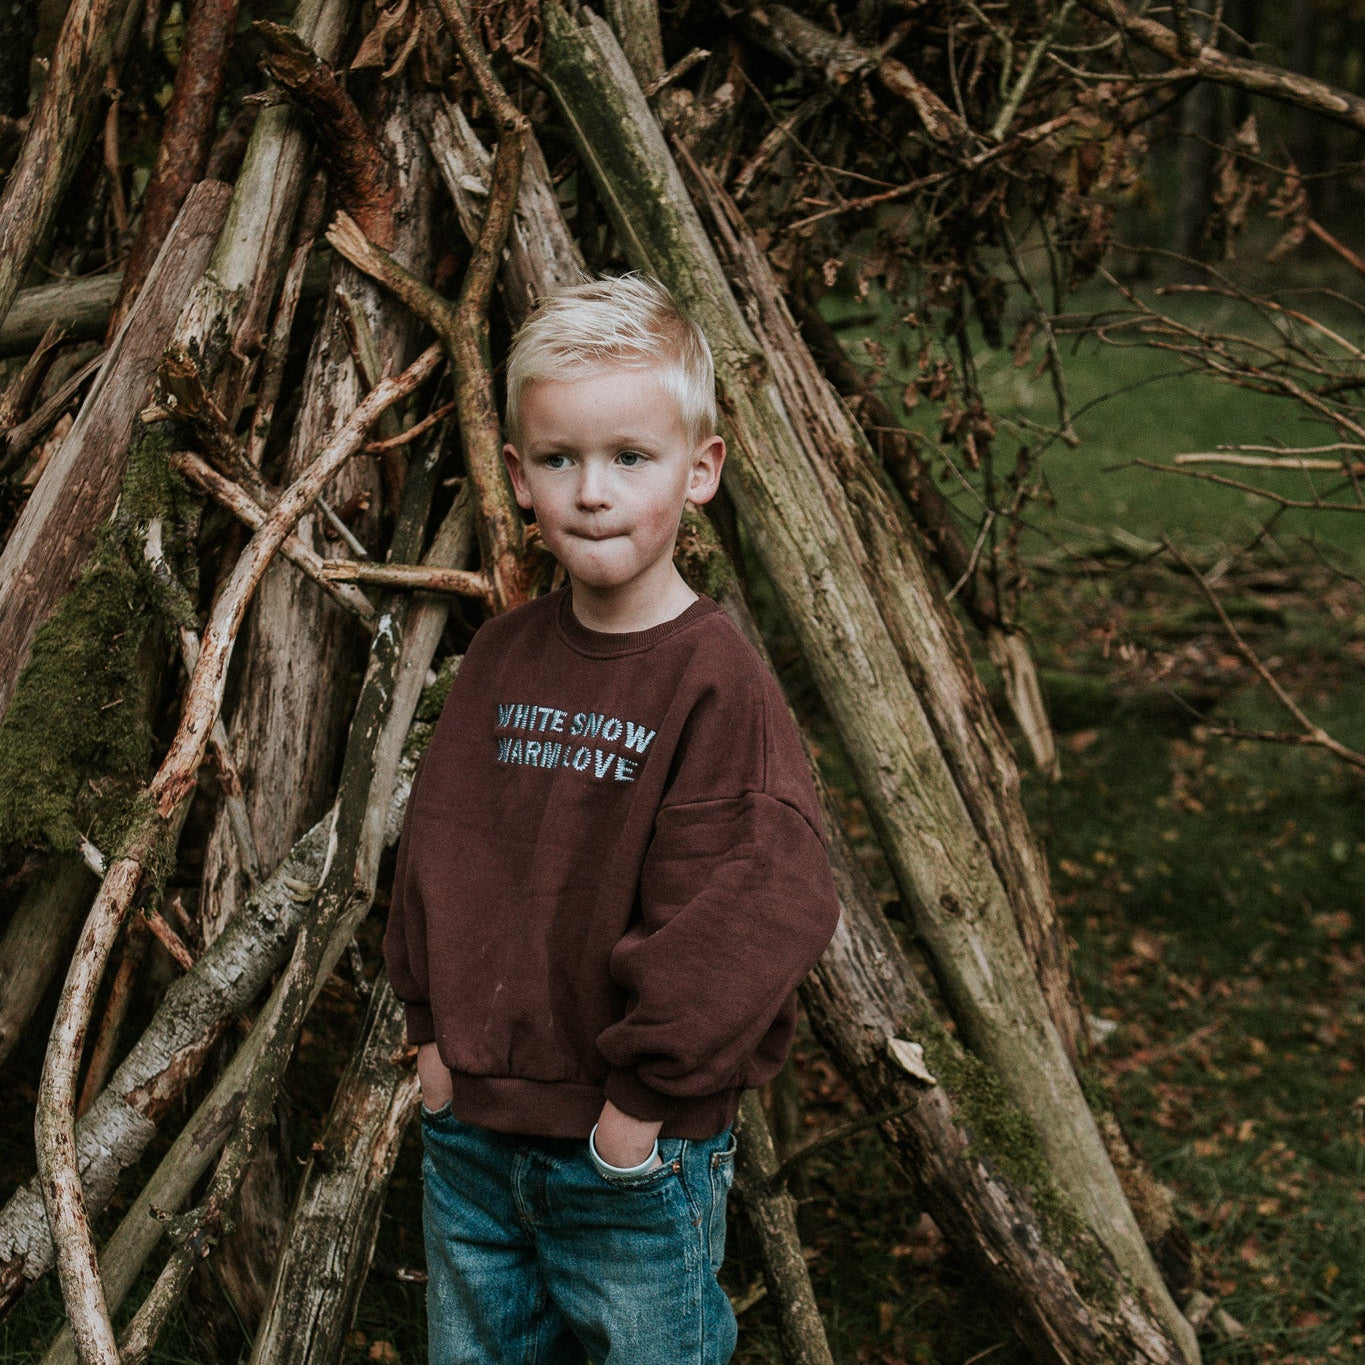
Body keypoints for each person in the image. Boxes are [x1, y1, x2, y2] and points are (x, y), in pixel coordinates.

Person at [383, 273, 840, 1365]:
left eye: (630, 458)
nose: (593, 491)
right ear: (519, 478)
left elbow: (758, 902)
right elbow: (439, 849)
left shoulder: (713, 683)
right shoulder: (503, 654)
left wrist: (639, 1109)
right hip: (475, 1139)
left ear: (701, 470)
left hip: (627, 1154)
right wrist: (430, 1038)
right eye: (560, 459)